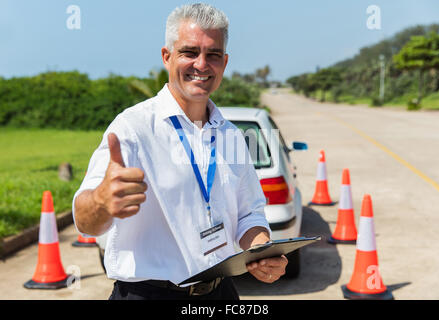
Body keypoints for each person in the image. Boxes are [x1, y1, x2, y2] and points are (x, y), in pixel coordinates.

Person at [72, 3, 287, 300]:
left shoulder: (231, 135)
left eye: (212, 55)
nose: (201, 64)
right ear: (167, 56)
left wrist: (262, 250)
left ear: (224, 62)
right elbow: (84, 221)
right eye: (189, 52)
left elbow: (249, 213)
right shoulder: (133, 128)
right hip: (148, 294)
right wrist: (100, 200)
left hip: (220, 292)